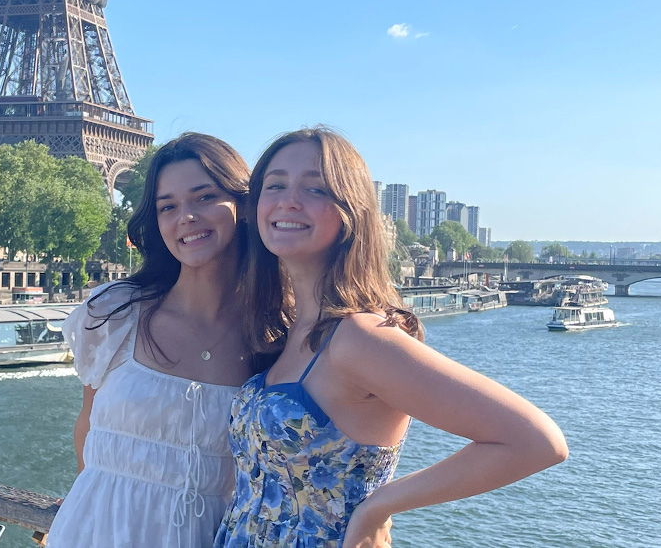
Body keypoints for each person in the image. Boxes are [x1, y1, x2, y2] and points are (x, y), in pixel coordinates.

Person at [215, 128, 568, 548]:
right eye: (275, 185)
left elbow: (536, 442)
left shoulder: (359, 338)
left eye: (315, 188)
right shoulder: (291, 327)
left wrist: (378, 506)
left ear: (351, 212)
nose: (289, 199)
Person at [47, 133, 260, 548]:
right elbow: (86, 431)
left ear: (244, 206)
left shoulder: (275, 337)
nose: (186, 217)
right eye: (168, 206)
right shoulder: (115, 313)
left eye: (204, 197)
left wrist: (376, 512)